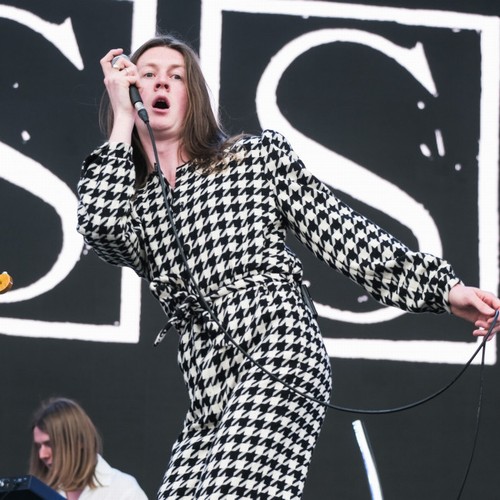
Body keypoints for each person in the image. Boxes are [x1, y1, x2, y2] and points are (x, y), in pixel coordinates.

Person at [77, 34, 500, 499]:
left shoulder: (253, 160)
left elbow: (343, 233)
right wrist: (120, 118)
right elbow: (100, 228)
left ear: (192, 95)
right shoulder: (134, 199)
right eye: (147, 75)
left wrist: (442, 288)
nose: (161, 83)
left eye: (175, 76)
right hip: (209, 391)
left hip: (280, 351)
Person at [29, 397, 148, 500]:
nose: (42, 454)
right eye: (38, 446)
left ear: (79, 441)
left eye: (50, 444)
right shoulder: (37, 492)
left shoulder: (123, 489)